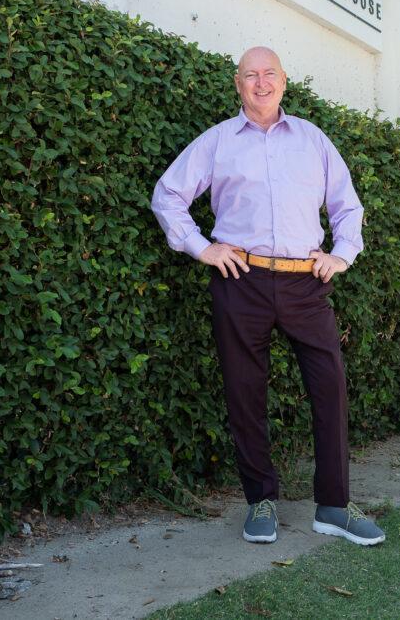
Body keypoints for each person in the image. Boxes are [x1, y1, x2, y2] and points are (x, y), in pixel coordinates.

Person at [151, 46, 385, 547]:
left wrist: (340, 256)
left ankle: (334, 507)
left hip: (306, 282)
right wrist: (202, 247)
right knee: (244, 393)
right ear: (238, 84)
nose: (261, 82)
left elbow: (347, 208)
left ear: (285, 80)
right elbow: (167, 194)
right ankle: (260, 500)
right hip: (242, 280)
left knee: (330, 387)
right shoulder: (217, 143)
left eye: (270, 73)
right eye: (251, 75)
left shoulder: (313, 140)